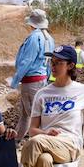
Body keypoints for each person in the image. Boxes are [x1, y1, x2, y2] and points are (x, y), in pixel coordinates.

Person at [11, 8, 54, 136]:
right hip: (42, 79)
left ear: (32, 23)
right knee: (26, 114)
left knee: (33, 115)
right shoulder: (49, 39)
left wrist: (15, 81)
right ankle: (16, 140)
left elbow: (27, 61)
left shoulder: (34, 38)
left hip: (31, 82)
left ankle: (40, 139)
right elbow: (50, 62)